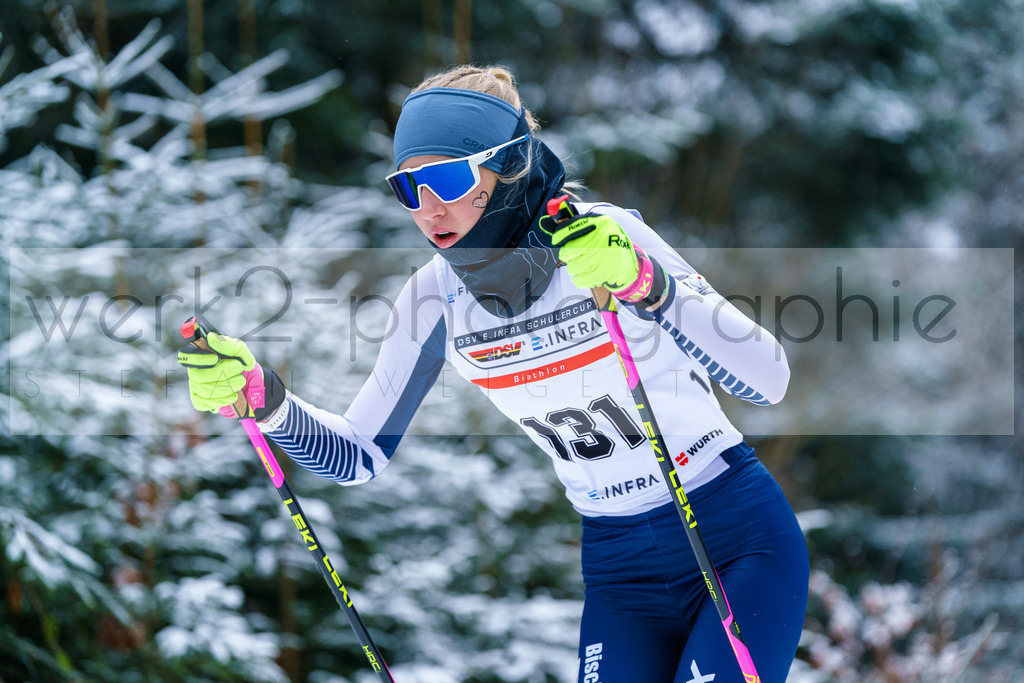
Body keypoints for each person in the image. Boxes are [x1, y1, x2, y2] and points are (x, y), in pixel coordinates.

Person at [179, 64, 810, 682]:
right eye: (408, 187)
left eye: (448, 180)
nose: (428, 208)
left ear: (507, 166)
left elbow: (766, 378)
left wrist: (649, 287)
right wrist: (266, 401)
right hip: (619, 568)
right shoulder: (432, 301)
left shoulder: (600, 239)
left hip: (732, 538)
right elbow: (360, 455)